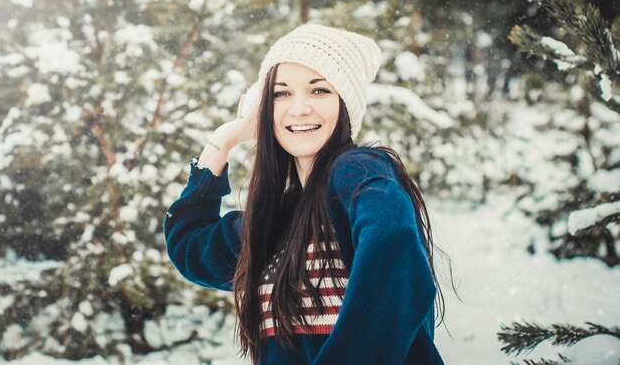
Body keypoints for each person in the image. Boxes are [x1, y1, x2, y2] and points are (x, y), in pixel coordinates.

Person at [164, 23, 446, 364]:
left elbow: (393, 241)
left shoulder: (357, 171)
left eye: (319, 91)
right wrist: (224, 139)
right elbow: (190, 247)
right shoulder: (277, 220)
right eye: (281, 93)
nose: (298, 108)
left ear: (344, 104)